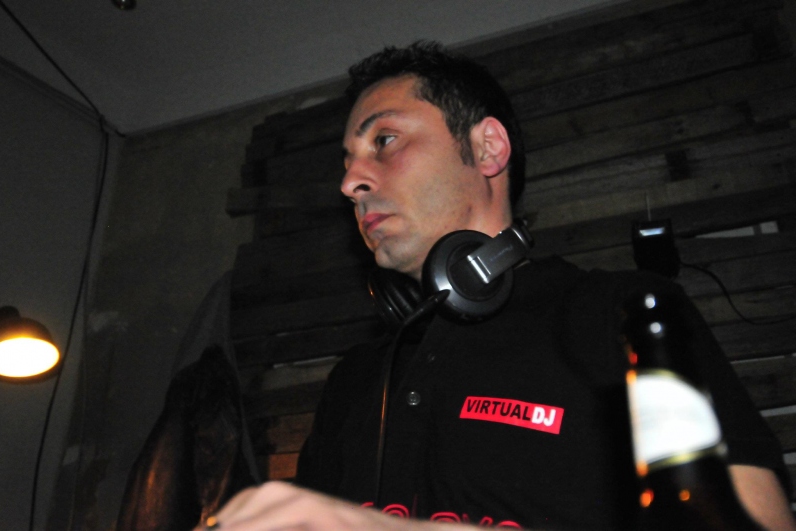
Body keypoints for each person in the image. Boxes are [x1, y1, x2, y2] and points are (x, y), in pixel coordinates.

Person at [197, 42, 795, 530]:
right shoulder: (354, 380)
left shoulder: (620, 312)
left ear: (487, 148)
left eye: (384, 141)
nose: (351, 180)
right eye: (348, 160)